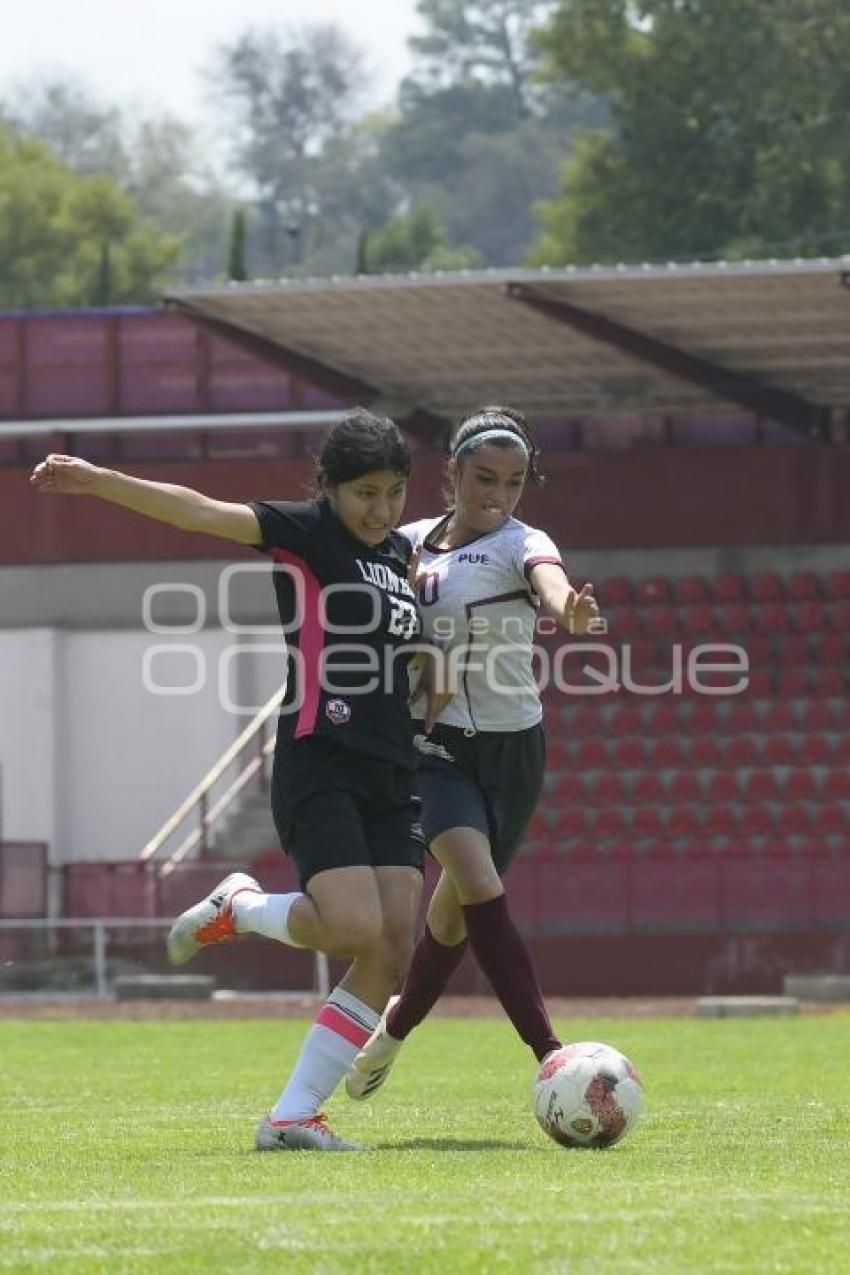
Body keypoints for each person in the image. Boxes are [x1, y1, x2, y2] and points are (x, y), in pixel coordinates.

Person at [30, 408, 425, 1152]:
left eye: (394, 492)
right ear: (331, 488)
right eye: (366, 492)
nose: (381, 508)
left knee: (391, 944)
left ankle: (292, 1116)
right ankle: (242, 906)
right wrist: (98, 480)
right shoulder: (304, 531)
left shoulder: (401, 553)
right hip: (321, 753)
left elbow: (401, 644)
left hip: (393, 768)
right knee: (349, 926)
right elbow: (198, 510)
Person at [345, 405, 600, 1101]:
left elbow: (549, 580)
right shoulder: (405, 543)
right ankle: (551, 1054)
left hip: (515, 750)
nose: (497, 493)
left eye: (513, 482)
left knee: (454, 915)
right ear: (451, 475)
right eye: (483, 477)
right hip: (434, 748)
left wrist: (565, 608)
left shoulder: (524, 541)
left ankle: (394, 1028)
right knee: (481, 882)